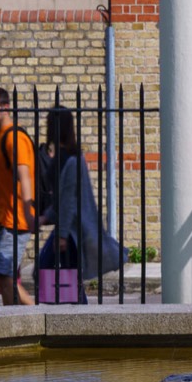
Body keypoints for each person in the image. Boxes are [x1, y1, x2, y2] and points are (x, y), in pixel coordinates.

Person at [37, 106, 126, 302]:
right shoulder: (63, 156)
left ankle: (71, 317)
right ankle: (64, 315)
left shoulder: (71, 159)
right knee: (64, 278)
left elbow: (69, 201)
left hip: (70, 233)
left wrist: (60, 235)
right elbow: (62, 199)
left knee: (57, 274)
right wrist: (45, 218)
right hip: (66, 229)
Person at [0, 86, 37, 306]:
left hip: (14, 221)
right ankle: (14, 318)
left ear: (5, 108)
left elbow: (25, 176)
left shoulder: (14, 137)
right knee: (0, 277)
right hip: (1, 221)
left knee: (5, 276)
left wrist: (28, 213)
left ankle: (33, 315)